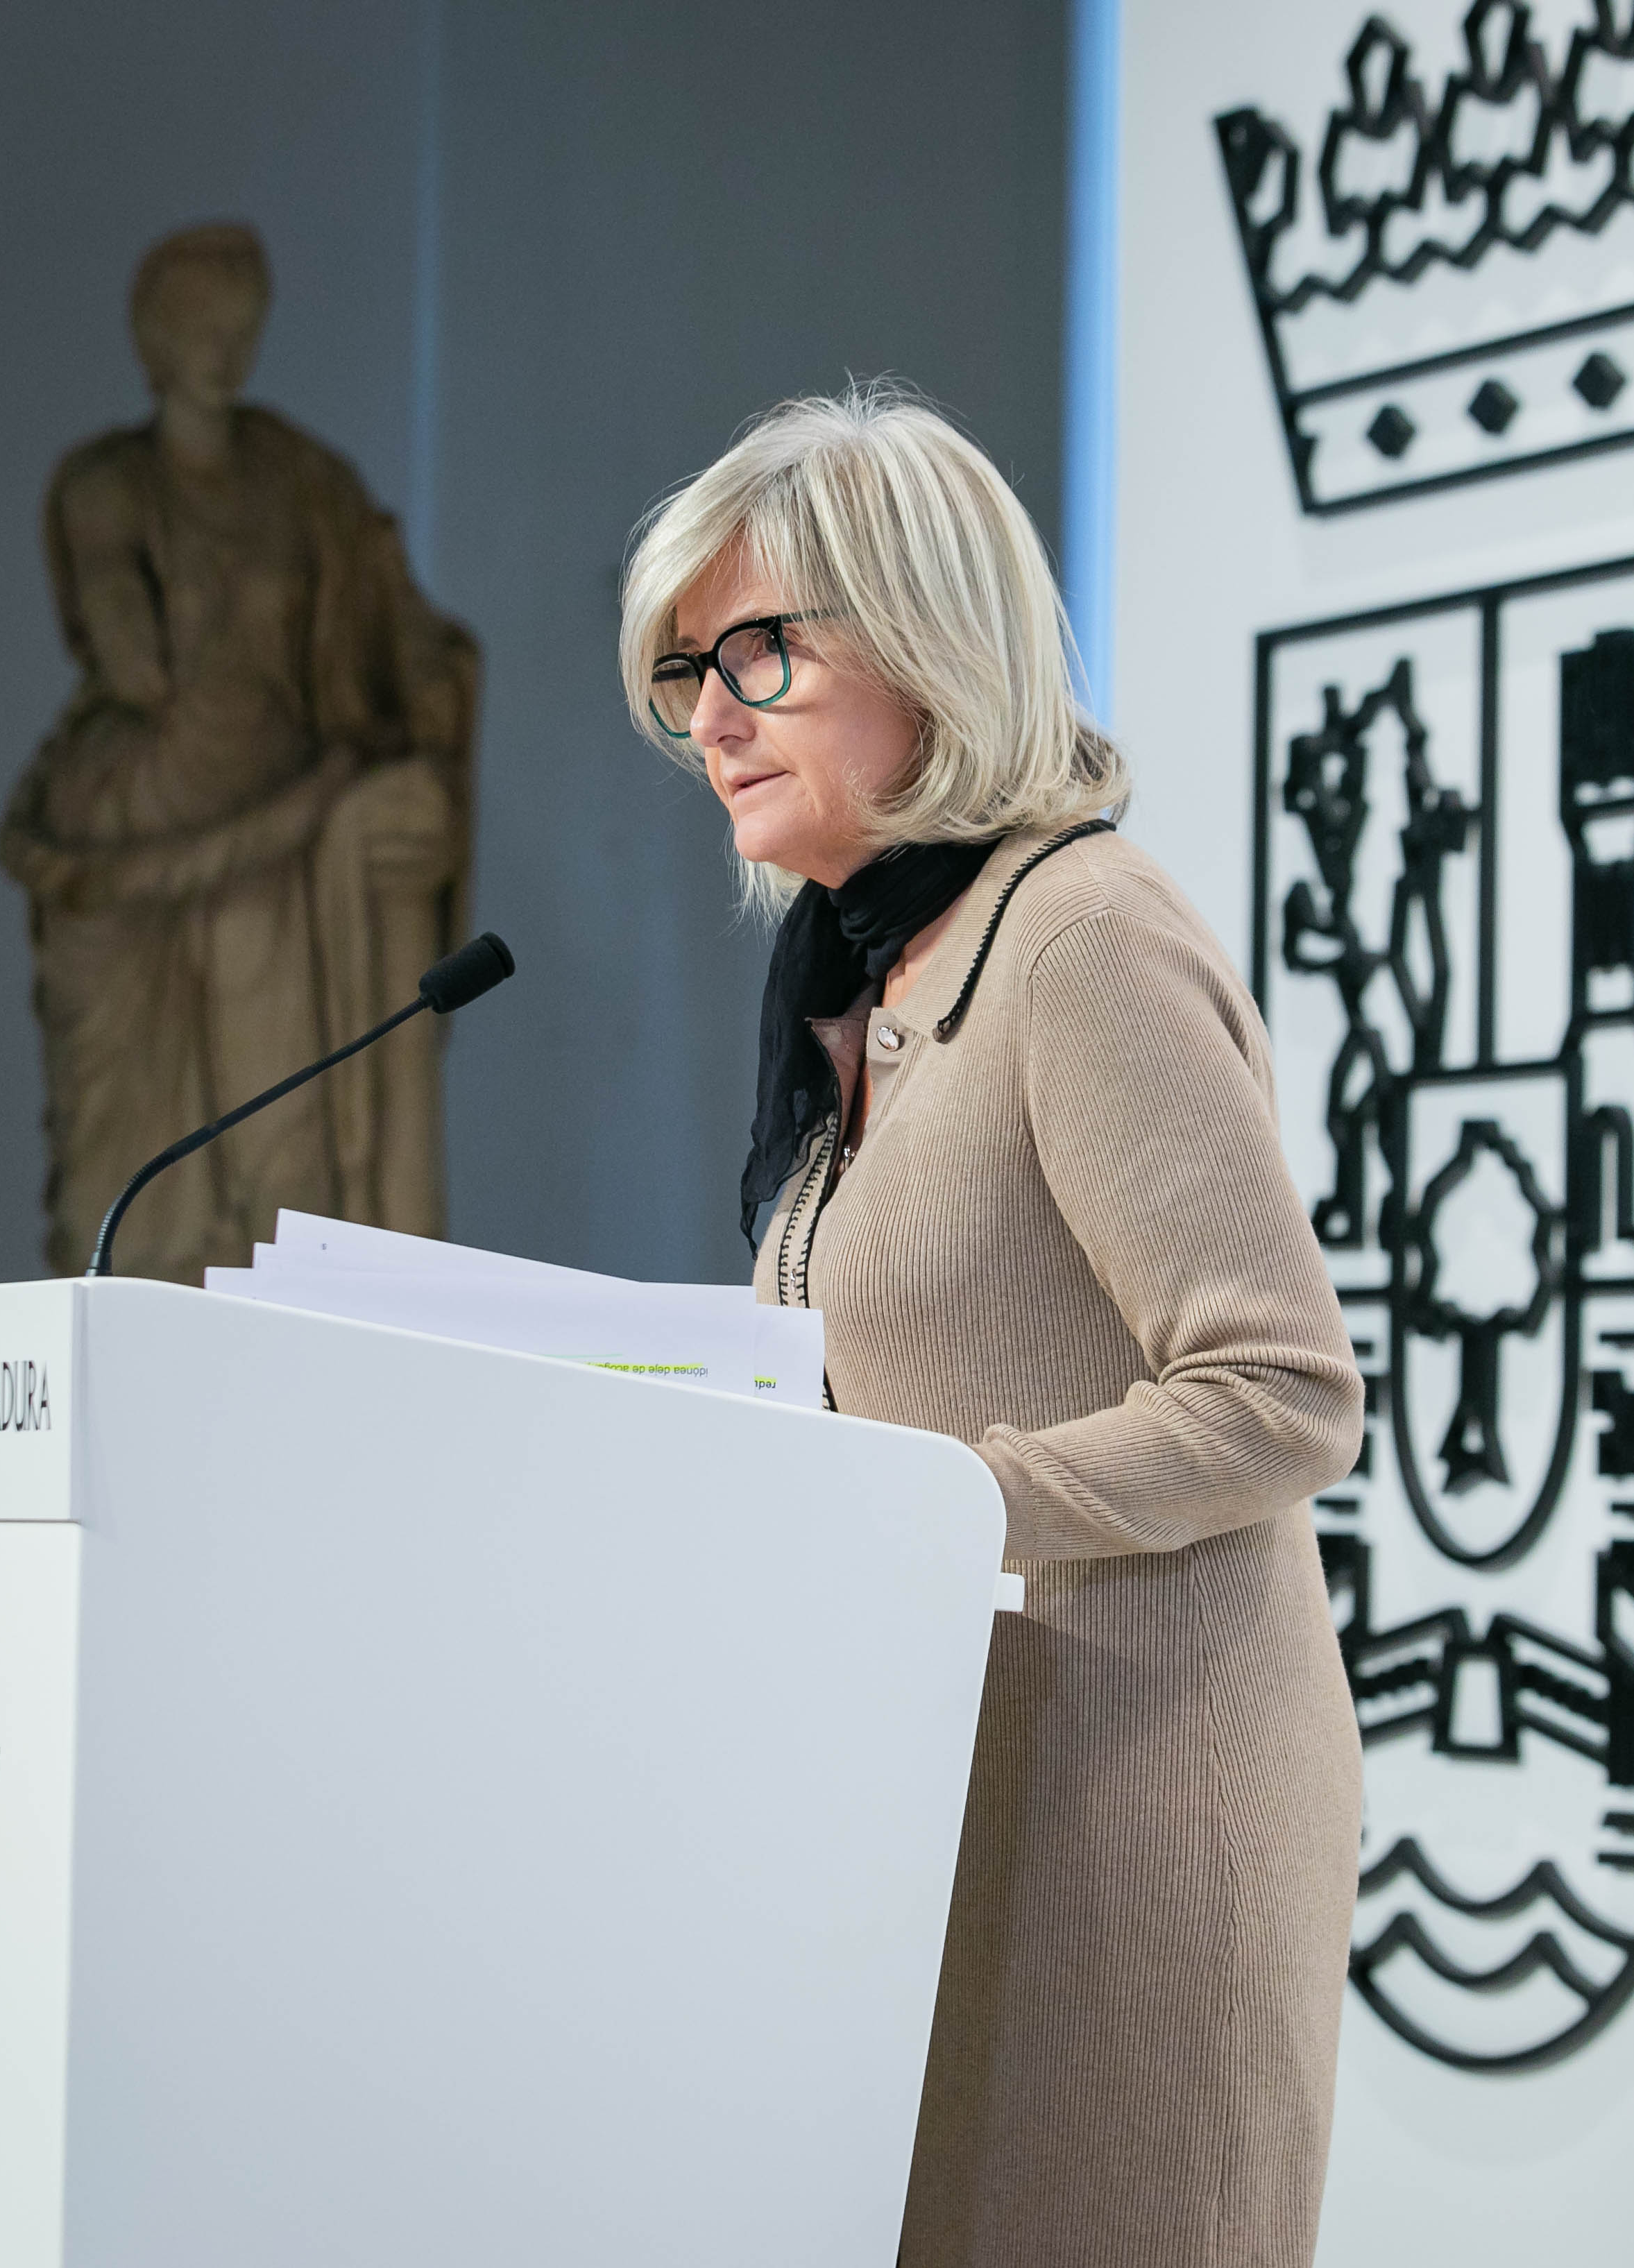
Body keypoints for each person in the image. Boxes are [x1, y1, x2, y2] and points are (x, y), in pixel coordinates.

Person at [618, 386, 1364, 2267]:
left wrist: (936, 1499)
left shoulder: (1082, 935)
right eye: (689, 670)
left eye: (758, 653)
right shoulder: (858, 977)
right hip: (913, 1786)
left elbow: (1281, 1390)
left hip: (1130, 1809)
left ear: (931, 643)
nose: (709, 716)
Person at [0, 221, 476, 1279]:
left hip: (288, 840)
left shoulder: (303, 480)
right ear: (153, 336)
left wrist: (428, 710)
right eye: (198, 326)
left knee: (283, 1154)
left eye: (239, 326)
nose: (222, 349)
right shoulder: (104, 485)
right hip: (144, 824)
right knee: (119, 1170)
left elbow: (398, 623)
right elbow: (132, 663)